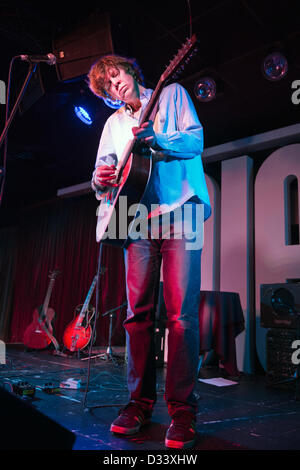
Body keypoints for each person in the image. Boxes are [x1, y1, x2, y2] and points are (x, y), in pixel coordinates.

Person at [88, 54, 211, 449]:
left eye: (115, 75)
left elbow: (195, 140)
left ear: (130, 71)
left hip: (182, 209)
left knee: (181, 316)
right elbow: (104, 175)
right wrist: (100, 178)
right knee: (136, 314)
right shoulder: (112, 124)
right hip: (133, 215)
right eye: (107, 86)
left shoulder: (172, 94)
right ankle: (137, 404)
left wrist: (159, 141)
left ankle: (182, 411)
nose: (114, 85)